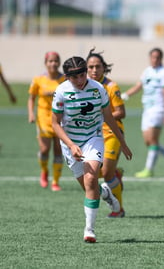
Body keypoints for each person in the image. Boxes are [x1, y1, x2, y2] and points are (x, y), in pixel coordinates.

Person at [51, 56, 132, 243]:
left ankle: (89, 230)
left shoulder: (98, 89)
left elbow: (109, 118)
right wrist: (71, 145)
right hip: (70, 143)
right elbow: (55, 124)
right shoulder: (61, 92)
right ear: (67, 77)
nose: (80, 80)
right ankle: (105, 193)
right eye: (75, 77)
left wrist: (123, 143)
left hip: (93, 138)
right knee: (90, 187)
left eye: (82, 75)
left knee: (90, 178)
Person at [121, 47, 164, 178]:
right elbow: (138, 86)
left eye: (157, 57)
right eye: (152, 57)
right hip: (147, 110)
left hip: (158, 109)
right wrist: (125, 95)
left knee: (153, 140)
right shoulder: (147, 71)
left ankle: (149, 170)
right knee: (148, 142)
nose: (154, 59)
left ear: (161, 59)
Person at [86, 48, 126, 217]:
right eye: (91, 67)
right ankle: (117, 175)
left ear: (104, 68)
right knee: (96, 173)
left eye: (98, 66)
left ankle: (119, 209)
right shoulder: (83, 86)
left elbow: (121, 112)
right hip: (92, 135)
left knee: (106, 173)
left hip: (112, 133)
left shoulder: (111, 86)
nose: (94, 70)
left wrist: (101, 117)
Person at [28, 51, 66, 191]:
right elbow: (31, 98)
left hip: (60, 117)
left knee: (58, 150)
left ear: (59, 62)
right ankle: (44, 171)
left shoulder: (64, 79)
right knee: (44, 149)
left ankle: (55, 182)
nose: (53, 64)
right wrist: (31, 113)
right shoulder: (38, 79)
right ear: (46, 63)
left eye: (56, 61)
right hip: (43, 117)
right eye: (50, 61)